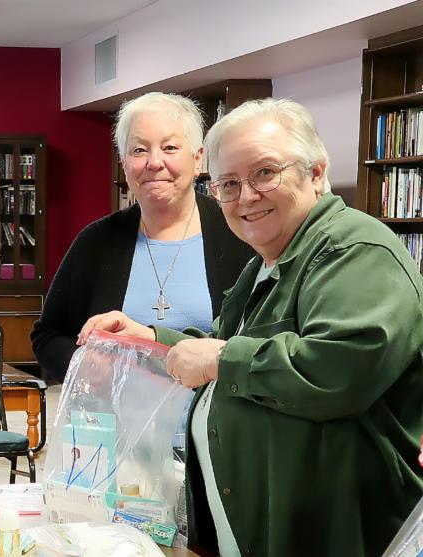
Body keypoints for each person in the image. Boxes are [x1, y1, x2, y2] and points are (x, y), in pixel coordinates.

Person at [79, 98, 423, 556]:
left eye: (265, 173)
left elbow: (340, 369)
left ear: (316, 172)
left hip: (334, 533)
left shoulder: (354, 251)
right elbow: (227, 345)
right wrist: (153, 338)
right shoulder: (266, 261)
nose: (245, 197)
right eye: (228, 184)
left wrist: (221, 360)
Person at [31, 92, 253, 382]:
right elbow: (47, 335)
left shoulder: (241, 233)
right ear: (124, 163)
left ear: (198, 158)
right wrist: (83, 364)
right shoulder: (96, 242)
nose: (154, 162)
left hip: (215, 409)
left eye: (170, 147)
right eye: (139, 150)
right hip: (119, 410)